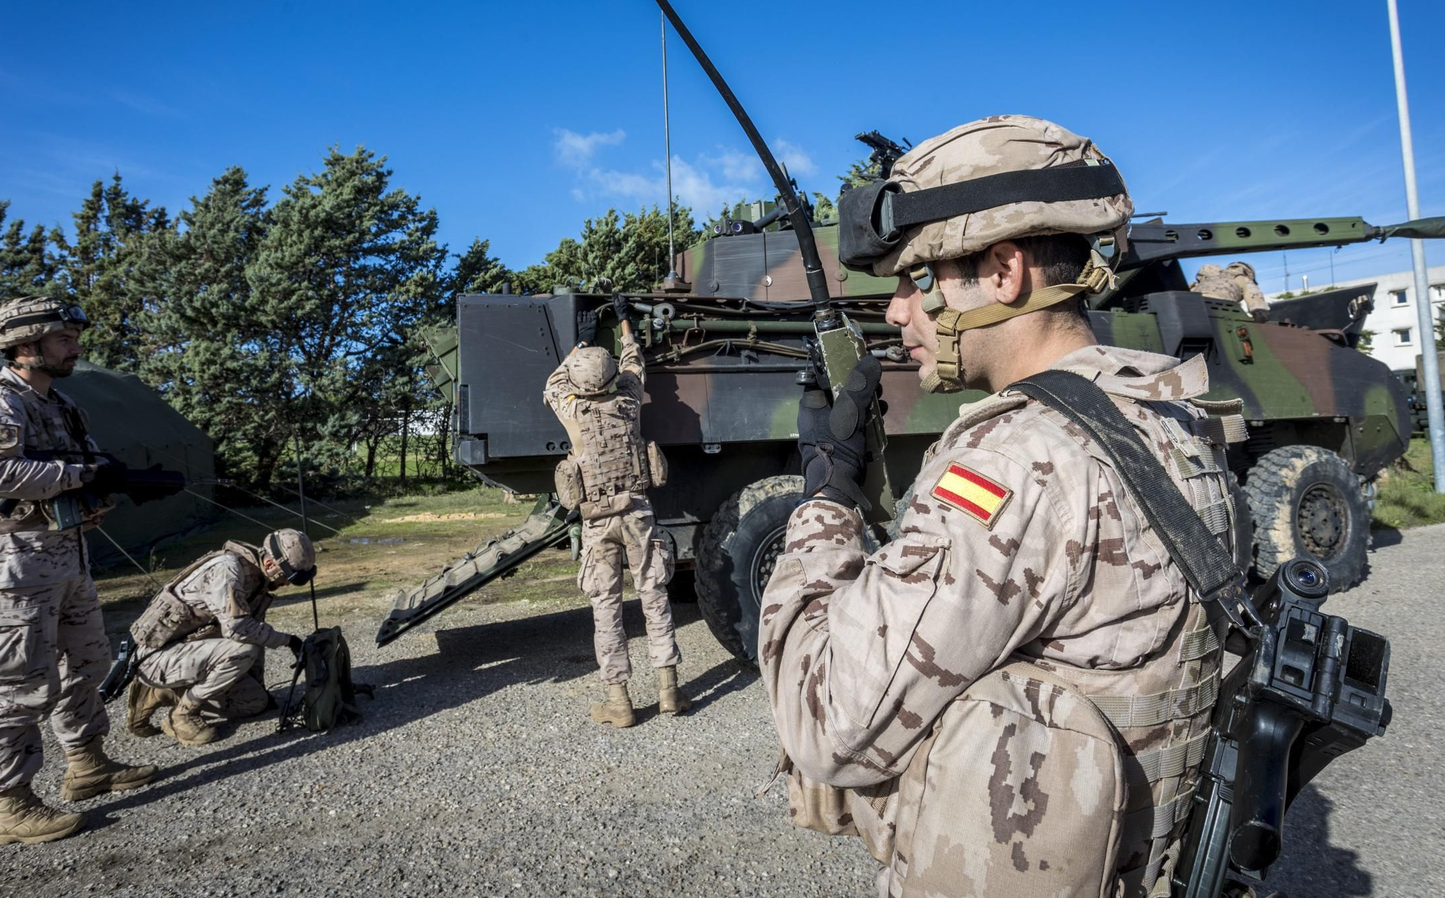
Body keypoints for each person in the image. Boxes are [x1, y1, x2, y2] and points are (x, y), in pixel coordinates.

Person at [759, 116, 1244, 897]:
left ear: (1004, 270)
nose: (896, 312)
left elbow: (827, 719)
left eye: (918, 281)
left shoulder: (1015, 462)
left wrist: (825, 498)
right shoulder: (1168, 416)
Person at [0, 296, 159, 846]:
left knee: (85, 665)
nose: (75, 347)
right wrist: (88, 472)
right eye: (63, 339)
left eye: (73, 337)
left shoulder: (64, 405)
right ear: (26, 346)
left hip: (67, 556)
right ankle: (11, 806)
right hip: (12, 567)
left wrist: (122, 484)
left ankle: (87, 765)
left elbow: (83, 472)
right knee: (18, 686)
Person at [542, 294, 688, 727]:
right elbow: (634, 361)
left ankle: (619, 703)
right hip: (638, 514)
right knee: (654, 597)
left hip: (597, 522)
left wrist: (580, 343)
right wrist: (624, 322)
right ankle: (670, 693)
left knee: (606, 607)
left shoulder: (570, 409)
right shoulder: (629, 402)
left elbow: (554, 380)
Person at [126, 528, 315, 746]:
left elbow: (256, 630)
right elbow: (239, 629)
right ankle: (182, 714)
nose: (287, 584)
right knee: (245, 650)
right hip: (156, 655)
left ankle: (167, 692)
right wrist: (288, 640)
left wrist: (258, 685)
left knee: (255, 703)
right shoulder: (227, 569)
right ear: (271, 564)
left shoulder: (257, 578)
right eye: (287, 576)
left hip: (191, 653)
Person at [1191, 260, 1271, 321]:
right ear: (1248, 272)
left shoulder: (1211, 276)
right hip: (1220, 308)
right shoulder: (1243, 278)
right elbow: (1255, 299)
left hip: (1194, 306)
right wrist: (1261, 317)